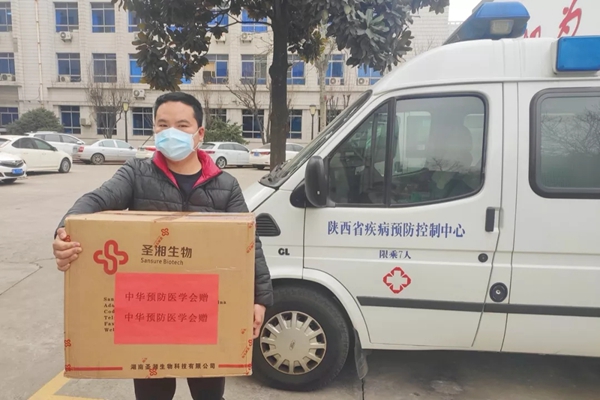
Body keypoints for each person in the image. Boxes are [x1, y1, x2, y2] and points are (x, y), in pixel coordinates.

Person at [51, 92, 274, 400]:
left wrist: (259, 299)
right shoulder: (137, 174)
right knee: (154, 394)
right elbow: (95, 200)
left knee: (208, 392)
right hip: (150, 307)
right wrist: (63, 232)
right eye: (163, 125)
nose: (171, 132)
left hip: (203, 306)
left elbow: (249, 243)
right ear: (154, 129)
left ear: (199, 133)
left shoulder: (225, 185)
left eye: (182, 125)